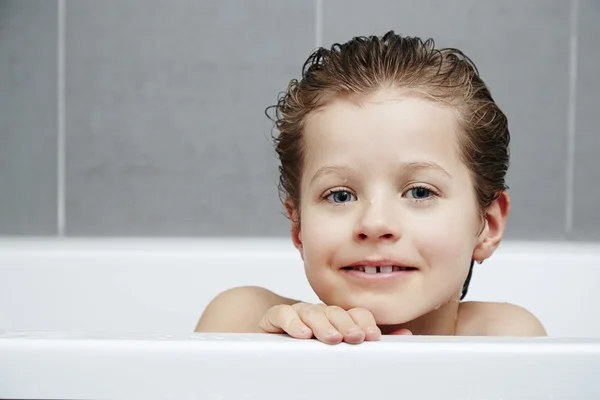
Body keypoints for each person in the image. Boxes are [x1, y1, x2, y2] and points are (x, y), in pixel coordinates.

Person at [195, 31, 546, 344]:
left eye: (420, 192)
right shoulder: (244, 322)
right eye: (341, 195)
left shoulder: (506, 340)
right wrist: (277, 358)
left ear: (487, 225)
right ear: (298, 226)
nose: (375, 224)